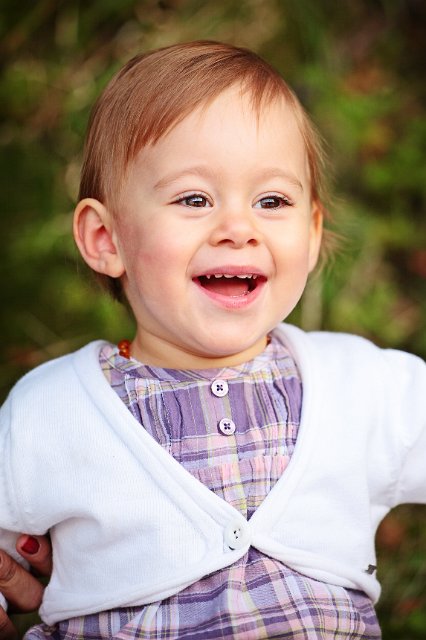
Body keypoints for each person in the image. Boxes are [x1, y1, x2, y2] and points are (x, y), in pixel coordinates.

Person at [0, 40, 425, 640]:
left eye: (271, 200)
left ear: (310, 232)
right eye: (194, 199)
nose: (237, 228)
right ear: (106, 238)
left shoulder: (364, 386)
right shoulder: (50, 411)